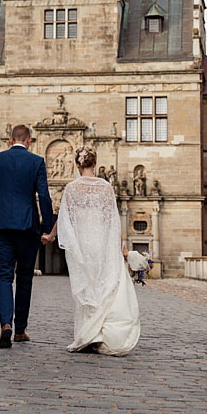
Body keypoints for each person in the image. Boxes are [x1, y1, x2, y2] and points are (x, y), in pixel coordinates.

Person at [42, 147, 140, 355]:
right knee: (103, 284)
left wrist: (50, 236)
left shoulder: (71, 188)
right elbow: (113, 220)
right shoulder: (105, 187)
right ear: (95, 164)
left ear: (77, 165)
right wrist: (120, 244)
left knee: (86, 286)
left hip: (82, 242)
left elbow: (64, 218)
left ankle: (89, 334)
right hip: (102, 242)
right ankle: (99, 333)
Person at [0, 124, 54, 349]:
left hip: (1, 226)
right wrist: (47, 227)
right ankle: (20, 330)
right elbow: (44, 197)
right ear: (29, 140)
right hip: (28, 226)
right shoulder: (36, 162)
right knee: (25, 278)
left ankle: (5, 325)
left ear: (11, 140)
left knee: (5, 276)